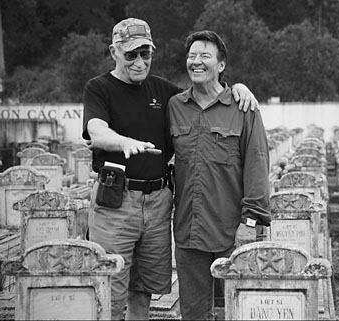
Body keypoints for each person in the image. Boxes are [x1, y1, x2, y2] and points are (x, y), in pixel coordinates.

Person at [82, 18, 258, 320]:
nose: (140, 62)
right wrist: (122, 142)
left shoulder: (165, 93)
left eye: (145, 54)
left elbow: (207, 95)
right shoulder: (99, 88)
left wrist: (238, 88)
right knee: (109, 290)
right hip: (116, 202)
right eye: (131, 54)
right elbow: (96, 131)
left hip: (158, 204)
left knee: (142, 290)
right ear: (114, 52)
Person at [167, 30, 271, 320]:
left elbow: (257, 166)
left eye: (205, 56)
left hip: (232, 232)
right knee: (193, 313)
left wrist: (250, 222)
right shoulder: (174, 106)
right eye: (191, 56)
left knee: (240, 309)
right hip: (189, 231)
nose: (196, 62)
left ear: (221, 65)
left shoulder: (243, 108)